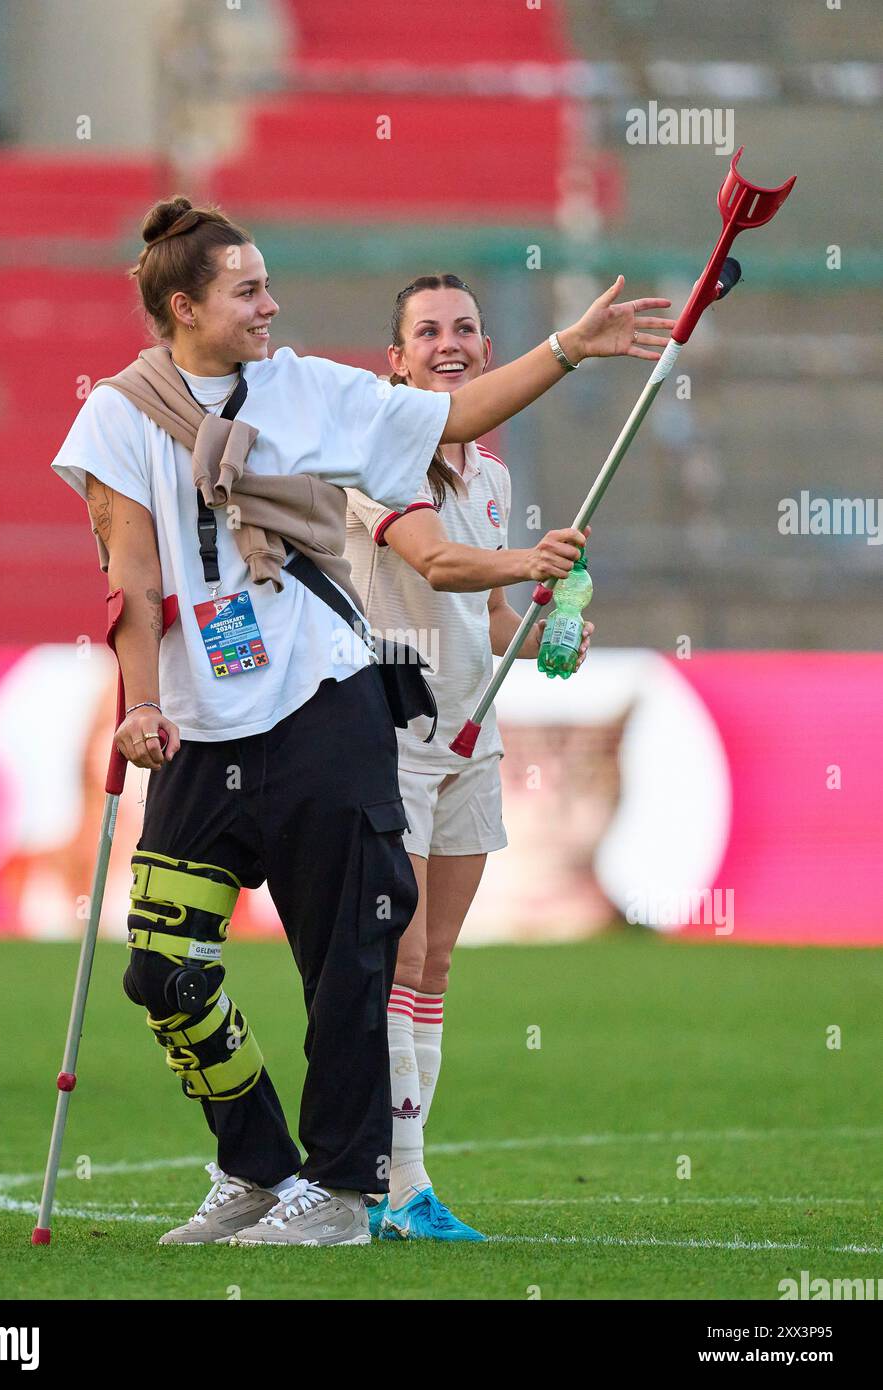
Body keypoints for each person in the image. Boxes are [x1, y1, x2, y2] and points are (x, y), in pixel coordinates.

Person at [50, 196, 674, 1247]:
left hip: (325, 700)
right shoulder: (113, 415)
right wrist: (144, 705)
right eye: (247, 290)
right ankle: (252, 1161)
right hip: (203, 727)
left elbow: (453, 420)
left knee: (350, 961)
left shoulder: (301, 389)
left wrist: (568, 346)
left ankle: (339, 1192)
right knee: (161, 963)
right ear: (182, 305)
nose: (270, 304)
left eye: (266, 285)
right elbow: (133, 588)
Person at [345, 273, 669, 1240]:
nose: (452, 341)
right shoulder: (372, 454)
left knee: (435, 963)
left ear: (486, 352)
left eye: (467, 329)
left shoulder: (488, 475)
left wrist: (549, 626)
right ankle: (397, 1184)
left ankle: (402, 1189)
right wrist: (529, 565)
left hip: (467, 735)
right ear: (393, 360)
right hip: (387, 735)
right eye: (428, 331)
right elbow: (438, 563)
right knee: (395, 954)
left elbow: (482, 617)